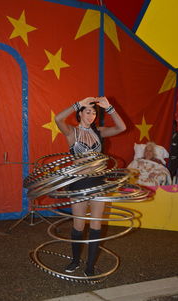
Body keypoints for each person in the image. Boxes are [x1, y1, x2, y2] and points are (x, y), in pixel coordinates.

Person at [55, 96, 126, 276]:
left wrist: (110, 108)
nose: (92, 115)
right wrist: (77, 103)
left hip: (98, 182)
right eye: (88, 111)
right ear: (80, 114)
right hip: (79, 182)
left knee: (96, 224)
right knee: (79, 225)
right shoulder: (71, 132)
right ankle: (76, 260)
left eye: (94, 112)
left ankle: (90, 266)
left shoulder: (99, 131)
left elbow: (121, 127)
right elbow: (57, 118)